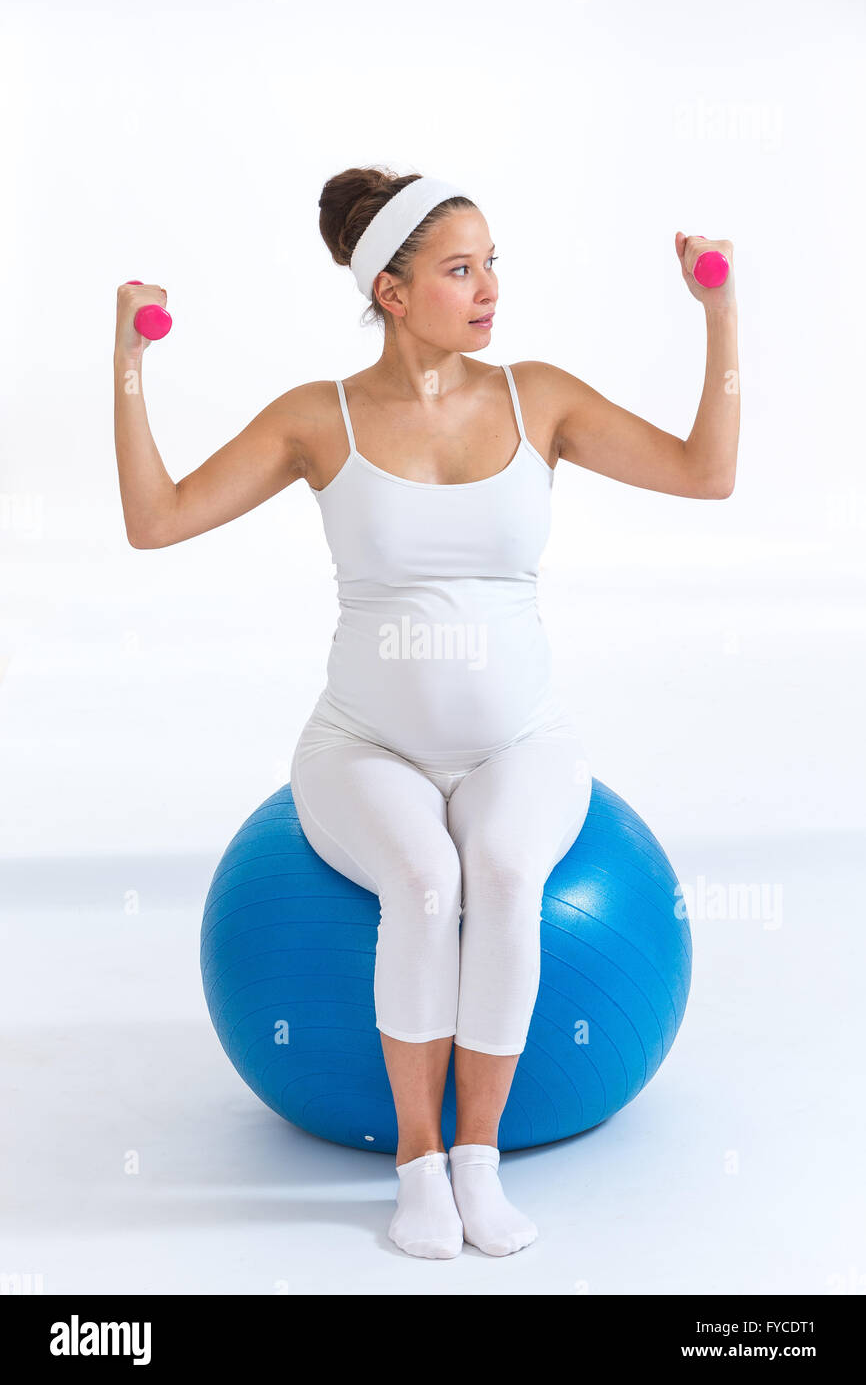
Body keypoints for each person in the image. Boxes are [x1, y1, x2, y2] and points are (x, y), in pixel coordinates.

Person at [113, 168, 738, 1261]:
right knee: (422, 880)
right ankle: (415, 1163)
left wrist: (716, 311)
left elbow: (705, 472)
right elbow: (155, 521)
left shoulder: (535, 397)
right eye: (460, 268)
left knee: (500, 872)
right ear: (391, 292)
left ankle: (476, 1159)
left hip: (520, 740)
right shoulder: (322, 417)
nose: (488, 287)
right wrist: (127, 362)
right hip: (364, 747)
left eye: (493, 262)